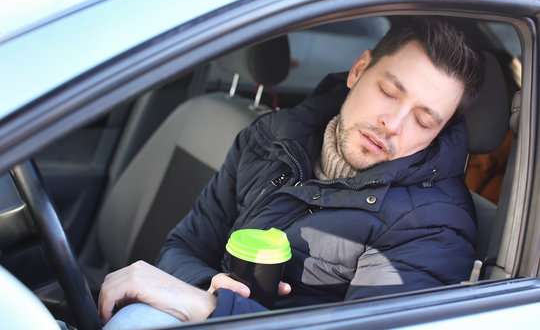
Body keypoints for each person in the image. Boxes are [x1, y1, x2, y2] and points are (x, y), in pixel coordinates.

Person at [98, 16, 483, 326]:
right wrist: (206, 288)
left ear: (438, 133)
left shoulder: (435, 227)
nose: (393, 124)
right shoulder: (269, 141)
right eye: (389, 91)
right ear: (359, 69)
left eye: (422, 120)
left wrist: (211, 309)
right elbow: (183, 247)